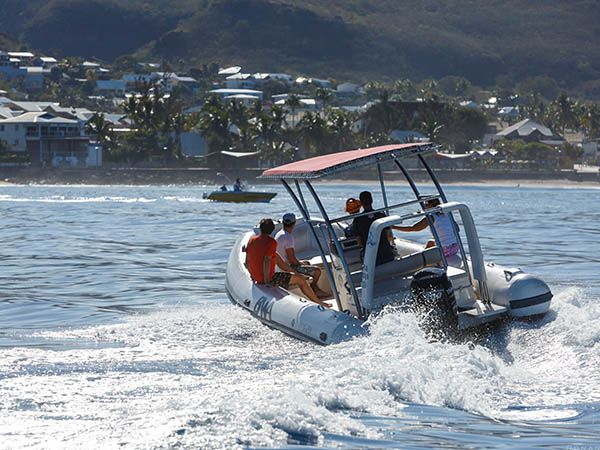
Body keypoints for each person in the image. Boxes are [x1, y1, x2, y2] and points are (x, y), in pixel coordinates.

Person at [245, 218, 329, 307]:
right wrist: (267, 282)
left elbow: (247, 261)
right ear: (272, 230)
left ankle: (296, 274)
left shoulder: (251, 240)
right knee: (301, 280)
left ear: (261, 229)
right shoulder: (271, 242)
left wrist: (252, 276)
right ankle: (319, 302)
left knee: (276, 256)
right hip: (268, 278)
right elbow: (267, 261)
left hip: (256, 277)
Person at [275, 213, 329, 298]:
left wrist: (302, 263)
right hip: (287, 267)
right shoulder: (288, 237)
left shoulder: (279, 234)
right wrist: (300, 263)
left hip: (280, 266)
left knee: (307, 263)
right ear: (294, 223)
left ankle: (315, 289)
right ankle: (315, 289)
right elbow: (291, 259)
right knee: (317, 271)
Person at [395, 199, 462, 267]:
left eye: (426, 204)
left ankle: (425, 264)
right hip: (455, 247)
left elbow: (412, 228)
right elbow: (457, 229)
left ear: (431, 205)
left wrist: (394, 227)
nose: (424, 206)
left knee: (432, 245)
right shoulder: (447, 214)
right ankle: (427, 260)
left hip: (444, 250)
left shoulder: (431, 217)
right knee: (431, 242)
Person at [352, 191, 395, 265]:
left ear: (361, 203)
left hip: (371, 257)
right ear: (372, 200)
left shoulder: (358, 219)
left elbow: (359, 242)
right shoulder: (381, 215)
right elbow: (389, 236)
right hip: (387, 254)